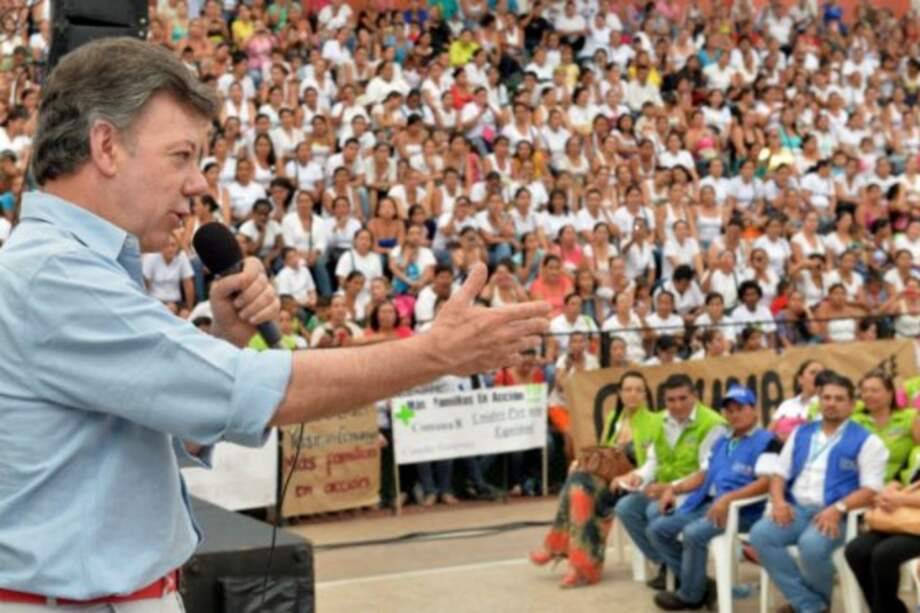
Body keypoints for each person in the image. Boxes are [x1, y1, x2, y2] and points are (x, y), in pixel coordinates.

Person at [0, 38, 549, 606]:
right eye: (181, 156)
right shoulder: (53, 277)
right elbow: (244, 392)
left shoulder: (79, 268)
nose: (198, 185)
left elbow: (135, 442)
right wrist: (436, 353)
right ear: (107, 147)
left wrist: (225, 341)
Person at [749, 371, 888, 613]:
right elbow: (779, 474)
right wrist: (779, 502)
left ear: (852, 405)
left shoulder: (868, 441)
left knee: (811, 546)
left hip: (837, 513)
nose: (831, 403)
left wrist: (838, 509)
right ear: (819, 401)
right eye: (826, 397)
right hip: (796, 509)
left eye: (839, 398)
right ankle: (811, 606)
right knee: (761, 535)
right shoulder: (800, 433)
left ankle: (807, 606)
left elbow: (871, 489)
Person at [648, 385, 781, 610]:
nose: (734, 414)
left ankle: (690, 595)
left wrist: (729, 500)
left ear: (754, 410)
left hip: (742, 511)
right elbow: (704, 474)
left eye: (740, 408)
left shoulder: (768, 441)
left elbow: (766, 483)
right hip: (708, 504)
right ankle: (702, 586)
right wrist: (674, 489)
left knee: (694, 533)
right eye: (729, 410)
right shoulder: (723, 441)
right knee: (657, 530)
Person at [530, 371, 661, 587]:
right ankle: (582, 567)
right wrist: (580, 463)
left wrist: (631, 475)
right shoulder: (613, 419)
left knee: (580, 485)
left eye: (638, 390)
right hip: (608, 480)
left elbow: (655, 461)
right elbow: (604, 454)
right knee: (579, 485)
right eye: (627, 389)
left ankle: (560, 546)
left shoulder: (655, 421)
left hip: (635, 483)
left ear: (646, 394)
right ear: (619, 393)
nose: (632, 394)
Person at [613, 374, 727, 591]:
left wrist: (669, 488)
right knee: (625, 507)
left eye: (683, 398)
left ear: (694, 396)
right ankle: (669, 564)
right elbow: (653, 461)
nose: (677, 405)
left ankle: (686, 577)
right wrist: (639, 476)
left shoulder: (712, 424)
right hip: (666, 488)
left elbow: (707, 472)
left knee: (656, 512)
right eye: (671, 400)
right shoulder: (661, 420)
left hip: (697, 491)